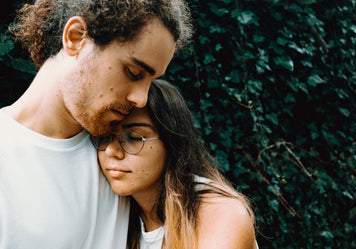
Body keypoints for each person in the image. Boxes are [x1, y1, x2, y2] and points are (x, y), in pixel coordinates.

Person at [0, 1, 192, 249]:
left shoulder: (129, 153)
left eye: (151, 81)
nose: (141, 99)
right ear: (76, 37)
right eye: (134, 73)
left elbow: (198, 200)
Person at [92, 79, 258, 249]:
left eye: (134, 137)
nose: (111, 151)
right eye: (105, 136)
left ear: (172, 142)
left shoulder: (221, 213)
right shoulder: (116, 213)